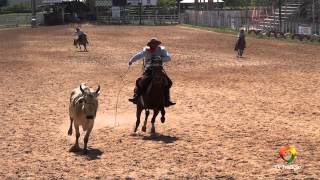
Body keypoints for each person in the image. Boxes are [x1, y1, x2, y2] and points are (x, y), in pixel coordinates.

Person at [128, 38, 175, 107]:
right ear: (150, 44)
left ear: (157, 44)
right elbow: (139, 55)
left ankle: (167, 100)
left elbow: (168, 58)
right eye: (153, 44)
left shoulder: (162, 50)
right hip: (148, 70)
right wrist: (131, 60)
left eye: (155, 43)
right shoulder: (146, 50)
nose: (154, 45)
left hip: (159, 69)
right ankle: (136, 97)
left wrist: (159, 60)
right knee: (140, 81)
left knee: (168, 82)